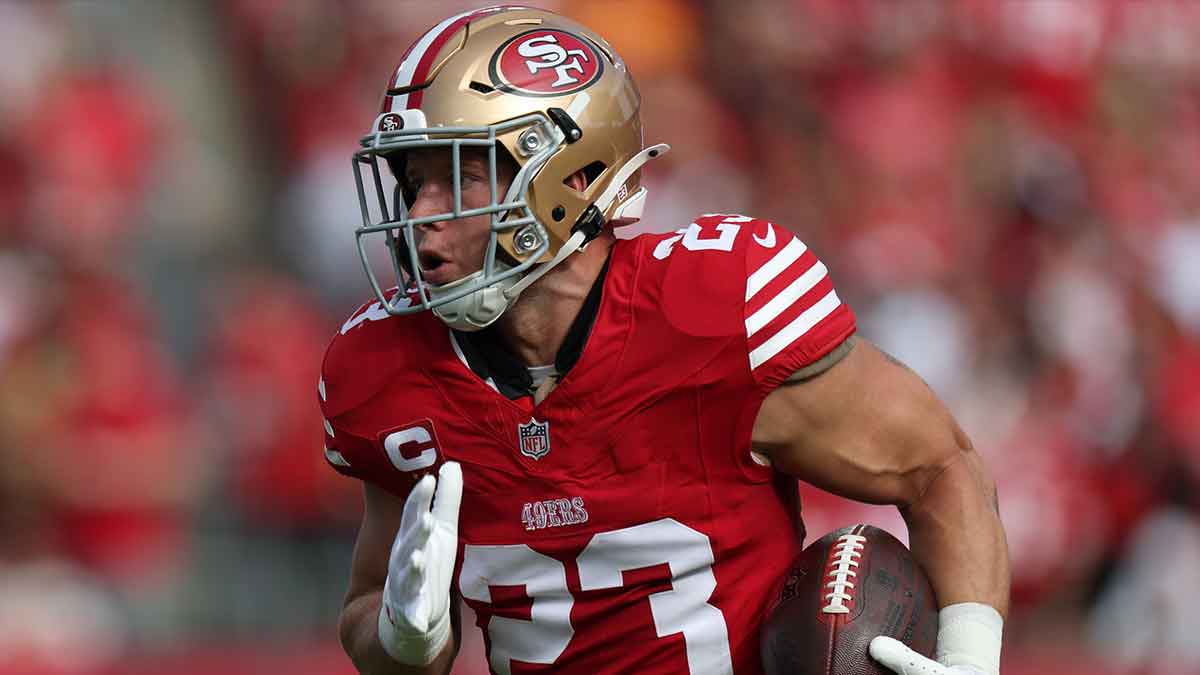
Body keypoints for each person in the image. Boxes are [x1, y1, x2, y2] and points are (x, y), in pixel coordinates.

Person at [319, 6, 1010, 675]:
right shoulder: (386, 372)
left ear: (574, 176)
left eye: (458, 176)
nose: (419, 215)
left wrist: (970, 660)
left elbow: (939, 469)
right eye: (413, 181)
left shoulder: (715, 309)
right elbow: (377, 610)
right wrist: (405, 637)